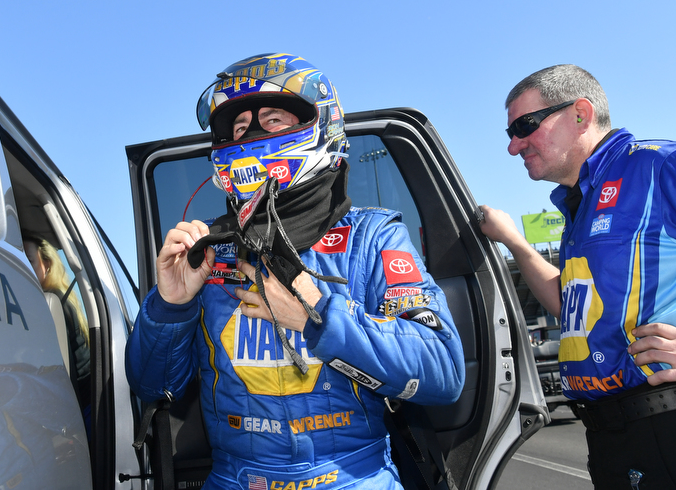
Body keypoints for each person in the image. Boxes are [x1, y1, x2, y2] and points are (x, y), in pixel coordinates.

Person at [126, 53, 465, 490]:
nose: (251, 136)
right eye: (239, 129)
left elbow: (442, 370)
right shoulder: (207, 251)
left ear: (321, 124)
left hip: (355, 477)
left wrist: (316, 317)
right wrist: (170, 306)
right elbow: (153, 388)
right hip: (238, 479)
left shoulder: (371, 237)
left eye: (272, 120)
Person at [479, 64, 676, 489]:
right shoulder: (583, 201)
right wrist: (515, 243)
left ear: (580, 114)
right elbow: (572, 305)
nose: (514, 145)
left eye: (525, 126)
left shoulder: (660, 165)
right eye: (510, 133)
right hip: (617, 433)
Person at [23, 237, 90, 399]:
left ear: (47, 265)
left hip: (79, 398)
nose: (23, 265)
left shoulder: (50, 301)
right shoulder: (61, 297)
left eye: (29, 261)